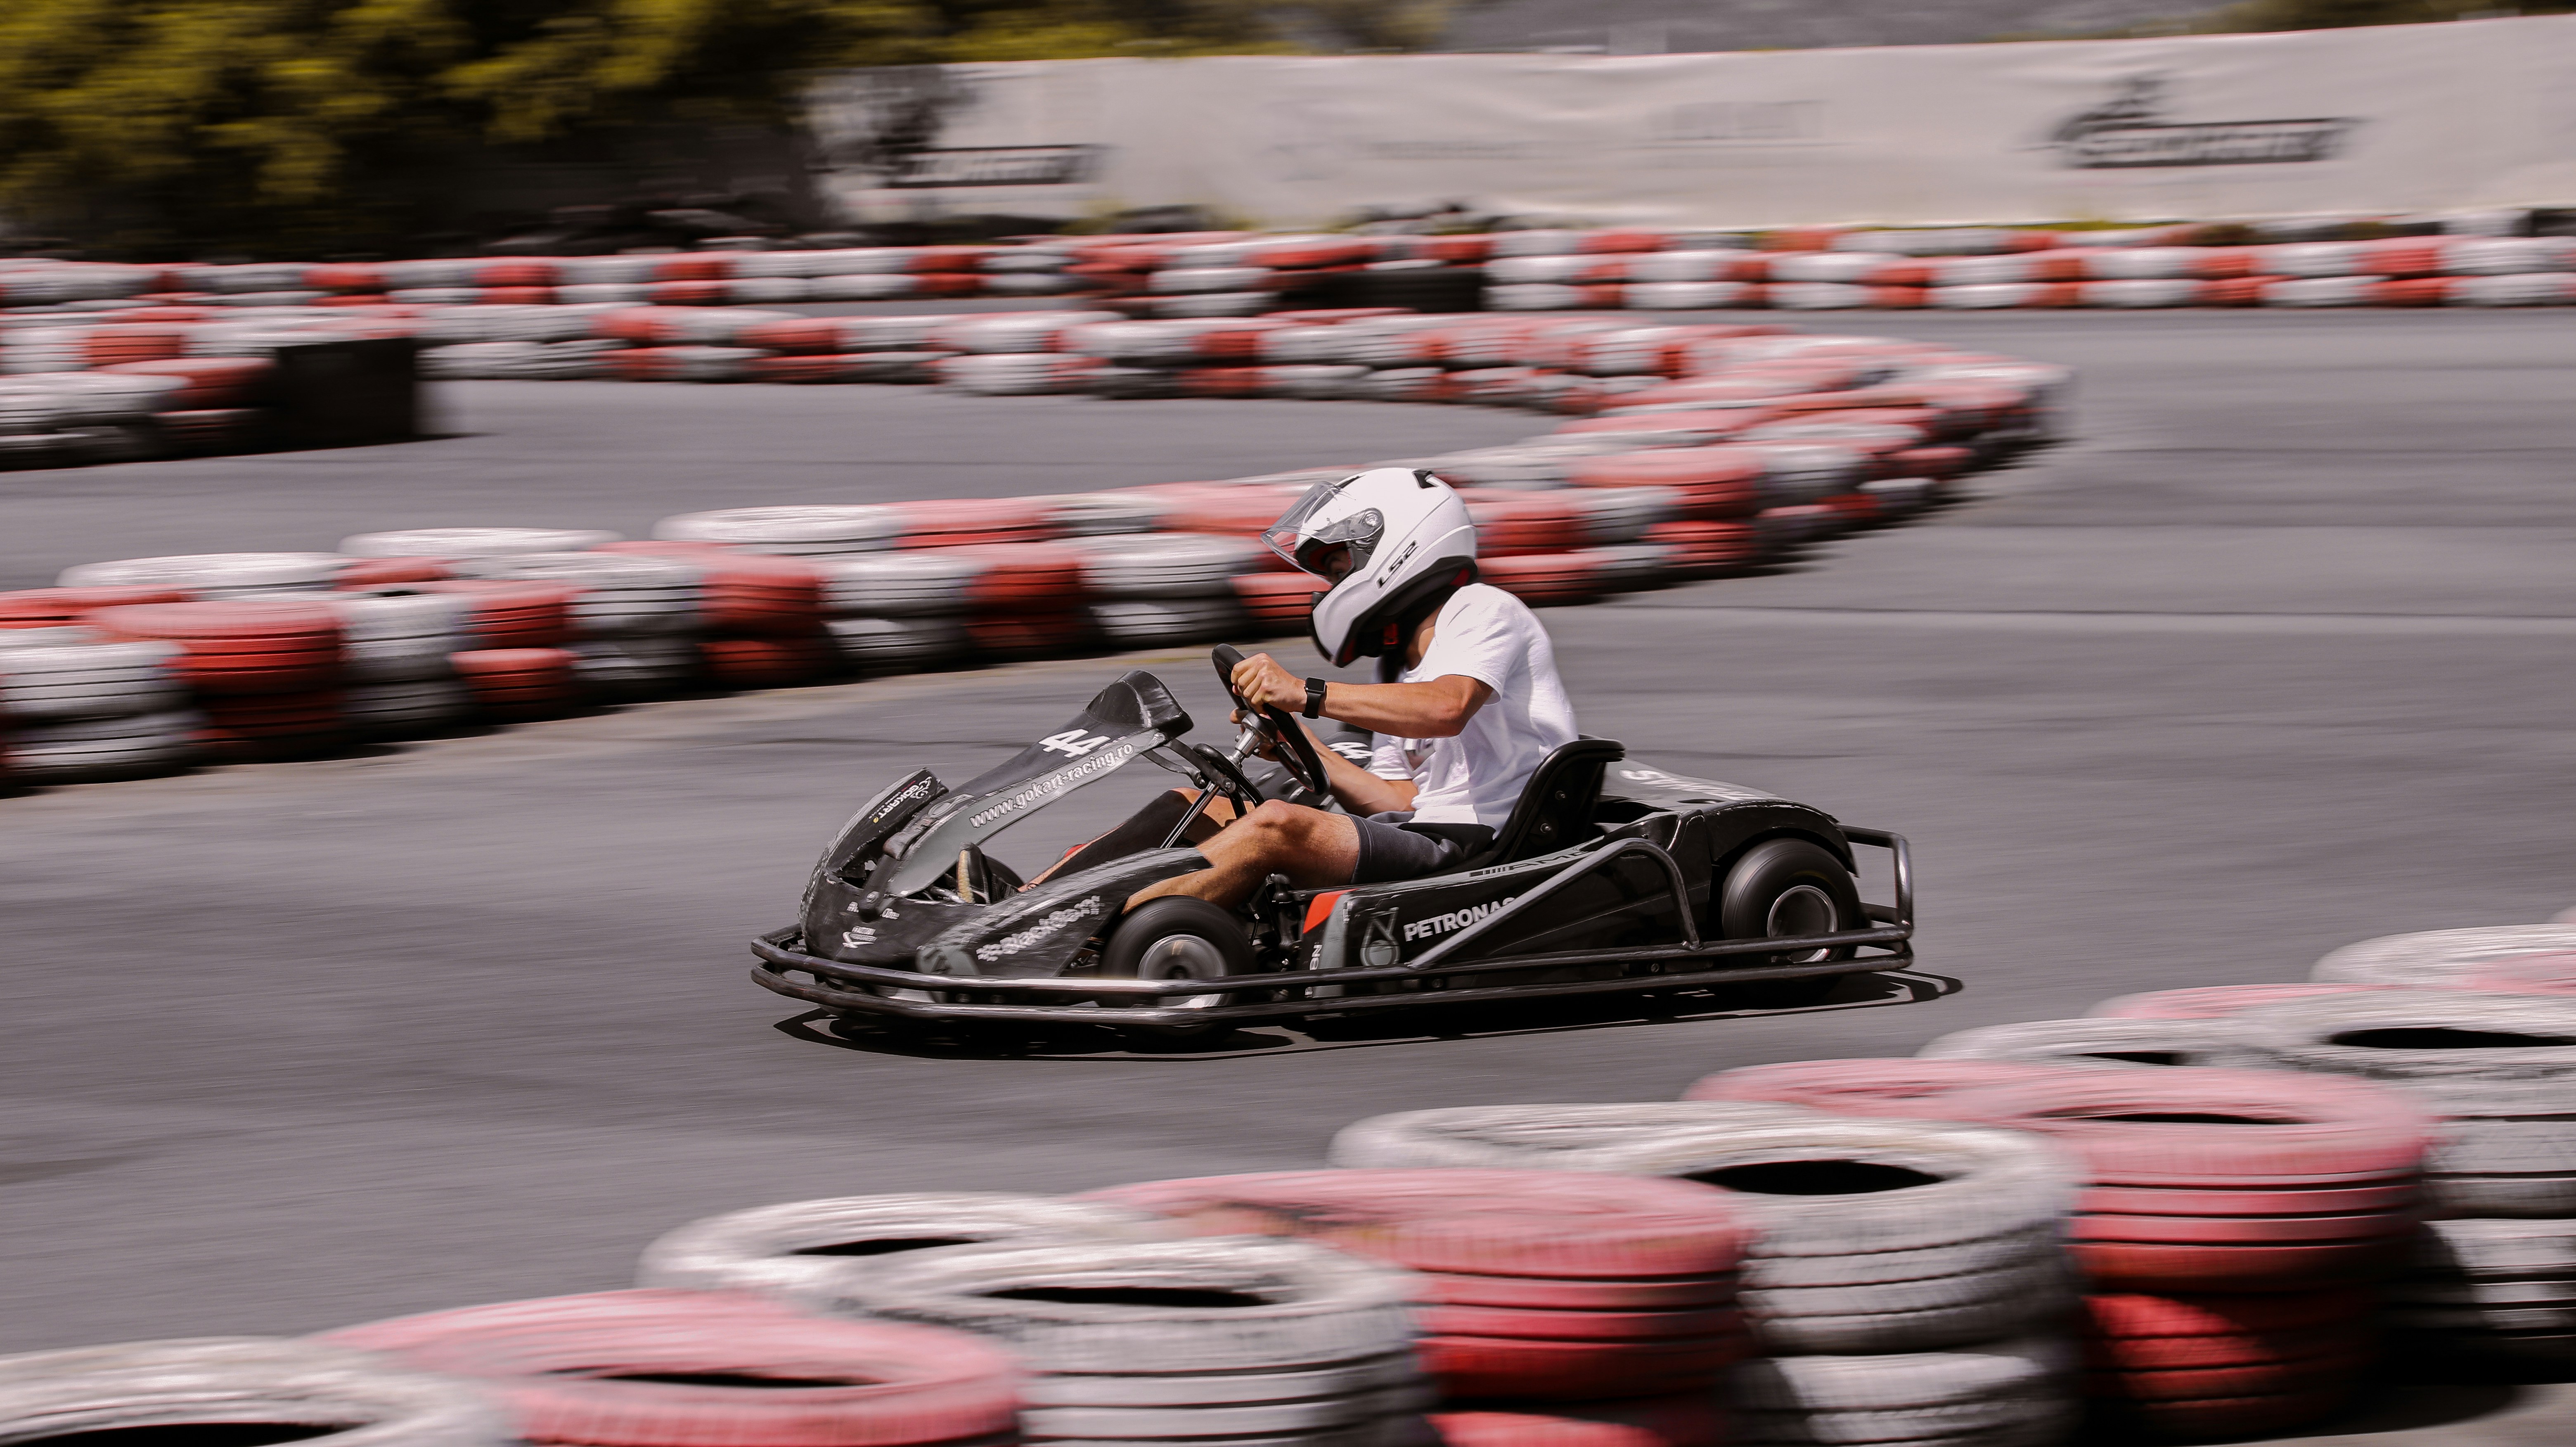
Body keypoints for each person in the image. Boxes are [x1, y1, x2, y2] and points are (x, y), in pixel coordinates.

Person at [1120, 466, 1577, 911]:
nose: (1330, 589)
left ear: (1398, 542)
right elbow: (1399, 800)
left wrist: (1305, 693)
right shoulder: (1397, 669)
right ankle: (1052, 900)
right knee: (1196, 808)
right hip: (1423, 829)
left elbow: (1447, 709)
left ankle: (1102, 928)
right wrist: (1301, 747)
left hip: (1484, 845)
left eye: (1338, 571)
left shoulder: (1484, 608)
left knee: (1276, 825)